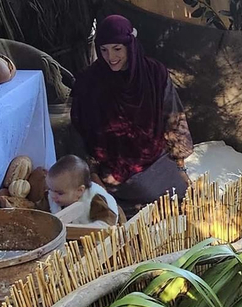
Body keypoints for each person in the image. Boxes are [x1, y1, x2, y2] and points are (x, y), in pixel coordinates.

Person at [70, 14, 194, 210]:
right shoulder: (89, 83)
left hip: (155, 157)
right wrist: (93, 176)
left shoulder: (154, 73)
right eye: (104, 50)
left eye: (117, 49)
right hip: (114, 169)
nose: (111, 58)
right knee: (142, 202)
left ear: (130, 45)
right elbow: (81, 132)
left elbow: (173, 117)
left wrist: (180, 166)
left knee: (183, 196)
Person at [46, 155, 121, 226]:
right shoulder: (52, 196)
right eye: (50, 189)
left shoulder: (94, 199)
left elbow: (107, 224)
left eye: (60, 193)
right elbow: (40, 214)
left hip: (96, 236)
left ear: (79, 191)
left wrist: (82, 231)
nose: (53, 196)